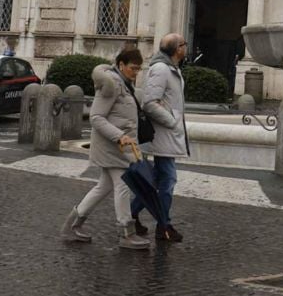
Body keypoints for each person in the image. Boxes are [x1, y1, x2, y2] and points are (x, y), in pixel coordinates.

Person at [62, 47, 150, 249]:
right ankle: (126, 233)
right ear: (121, 65)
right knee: (123, 185)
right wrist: (119, 136)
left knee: (104, 186)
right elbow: (96, 117)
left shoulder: (124, 83)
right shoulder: (111, 84)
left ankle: (72, 225)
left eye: (138, 69)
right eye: (133, 68)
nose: (136, 72)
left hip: (118, 146)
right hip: (112, 146)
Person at [131, 32, 191, 243]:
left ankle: (131, 215)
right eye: (184, 44)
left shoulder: (172, 69)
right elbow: (149, 103)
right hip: (163, 134)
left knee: (156, 180)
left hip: (167, 135)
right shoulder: (161, 69)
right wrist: (172, 122)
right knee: (168, 179)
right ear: (177, 49)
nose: (186, 47)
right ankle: (163, 225)